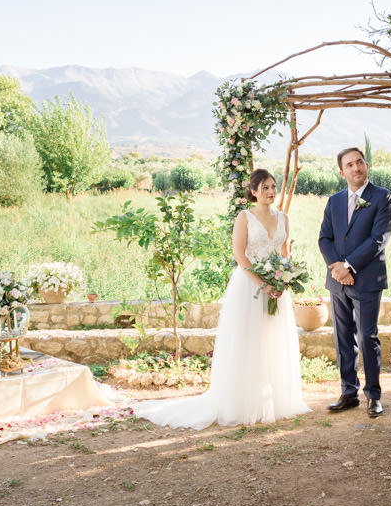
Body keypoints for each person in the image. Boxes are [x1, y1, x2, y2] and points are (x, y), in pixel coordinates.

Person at [132, 169, 309, 430]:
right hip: (250, 288)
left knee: (272, 342)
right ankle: (242, 403)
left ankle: (272, 401)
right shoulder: (245, 217)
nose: (270, 192)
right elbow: (240, 256)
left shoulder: (283, 217)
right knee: (248, 343)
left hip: (277, 289)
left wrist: (285, 279)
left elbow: (284, 253)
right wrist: (263, 285)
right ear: (253, 192)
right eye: (264, 188)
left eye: (273, 186)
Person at [318, 147, 391, 418]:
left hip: (367, 280)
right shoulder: (334, 201)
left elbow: (378, 238)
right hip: (337, 282)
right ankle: (348, 392)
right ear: (342, 172)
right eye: (349, 165)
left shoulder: (382, 197)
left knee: (366, 337)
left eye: (359, 162)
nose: (356, 168)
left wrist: (348, 265)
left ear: (367, 165)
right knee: (342, 338)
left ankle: (373, 396)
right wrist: (337, 270)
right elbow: (324, 239)